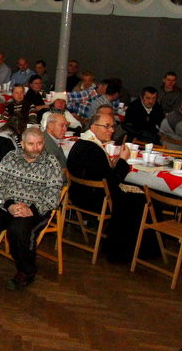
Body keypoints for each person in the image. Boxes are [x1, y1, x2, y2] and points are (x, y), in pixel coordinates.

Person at [67, 112, 157, 263]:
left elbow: (100, 174)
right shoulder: (93, 149)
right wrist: (122, 161)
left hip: (78, 194)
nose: (112, 130)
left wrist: (113, 165)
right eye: (107, 126)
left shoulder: (83, 143)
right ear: (94, 127)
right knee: (145, 200)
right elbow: (112, 181)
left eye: (112, 126)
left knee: (137, 192)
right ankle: (131, 252)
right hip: (95, 200)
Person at [0, 127, 63, 290]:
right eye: (31, 144)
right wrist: (9, 205)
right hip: (8, 205)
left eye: (39, 144)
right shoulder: (11, 157)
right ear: (22, 144)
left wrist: (32, 210)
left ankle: (27, 271)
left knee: (18, 229)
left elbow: (53, 194)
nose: (36, 148)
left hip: (37, 209)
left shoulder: (50, 162)